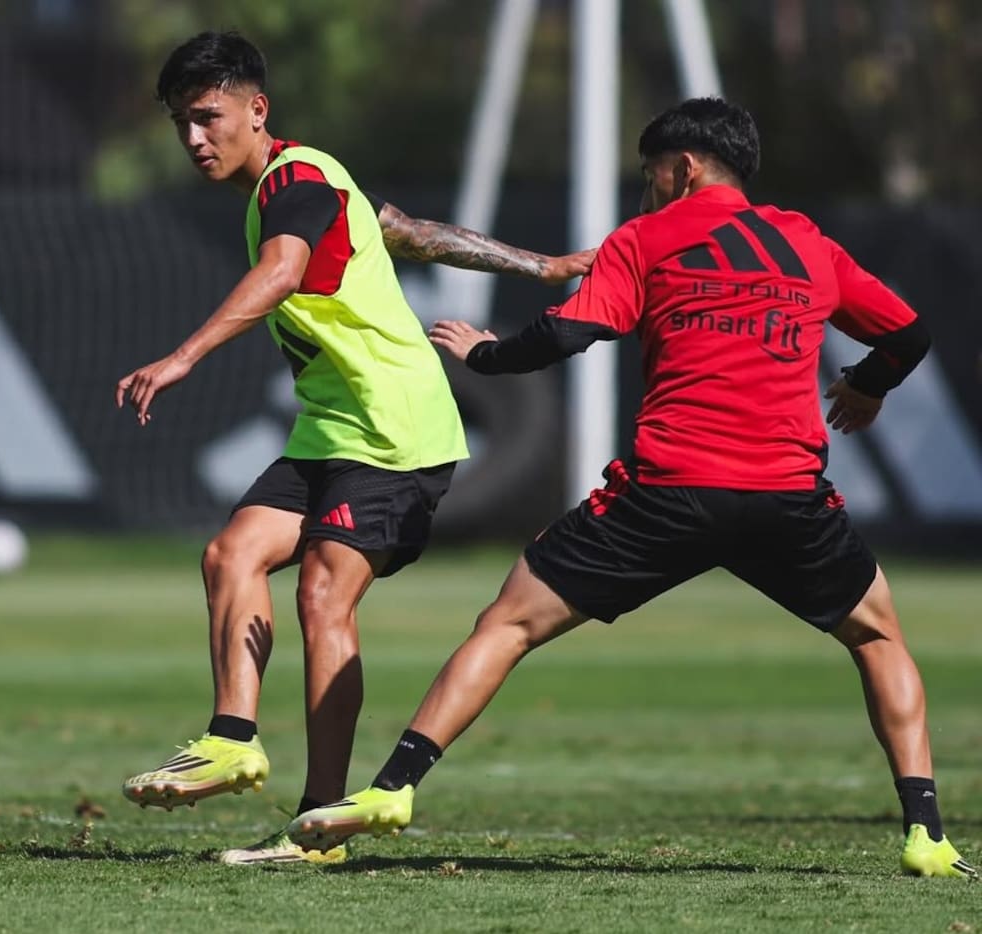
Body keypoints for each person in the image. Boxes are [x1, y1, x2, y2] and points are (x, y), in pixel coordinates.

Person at [288, 97, 975, 879]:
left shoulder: (646, 236)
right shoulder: (805, 242)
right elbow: (909, 334)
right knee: (879, 637)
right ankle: (927, 836)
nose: (645, 188)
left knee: (508, 624)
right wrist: (865, 383)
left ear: (681, 169)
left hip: (666, 490)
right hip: (786, 498)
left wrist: (485, 357)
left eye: (650, 173)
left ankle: (393, 790)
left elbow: (568, 333)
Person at [114, 30, 596, 866]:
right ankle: (233, 737)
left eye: (207, 118)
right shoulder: (310, 178)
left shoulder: (294, 180)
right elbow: (408, 231)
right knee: (231, 555)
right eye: (180, 124)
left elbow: (282, 271)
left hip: (395, 432)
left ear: (256, 111)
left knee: (322, 593)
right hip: (332, 431)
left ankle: (320, 825)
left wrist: (183, 355)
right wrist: (540, 264)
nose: (194, 139)